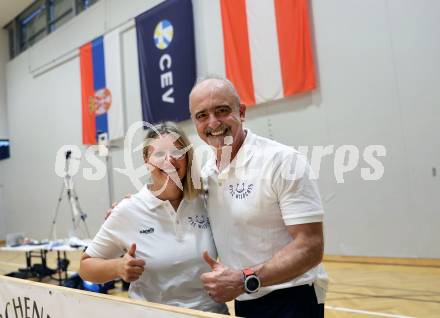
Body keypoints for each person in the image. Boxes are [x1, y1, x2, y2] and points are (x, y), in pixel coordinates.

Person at [189, 76, 328, 317]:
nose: (213, 123)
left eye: (222, 111)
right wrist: (135, 204)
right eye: (202, 115)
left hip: (293, 297)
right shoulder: (205, 170)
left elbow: (311, 246)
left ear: (241, 112)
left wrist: (246, 279)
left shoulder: (283, 161)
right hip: (245, 296)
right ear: (194, 122)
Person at [79, 122, 227, 314]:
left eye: (176, 152)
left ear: (187, 158)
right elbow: (85, 266)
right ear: (146, 160)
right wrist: (118, 267)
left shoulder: (206, 199)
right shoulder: (128, 210)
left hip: (210, 313)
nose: (169, 160)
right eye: (159, 154)